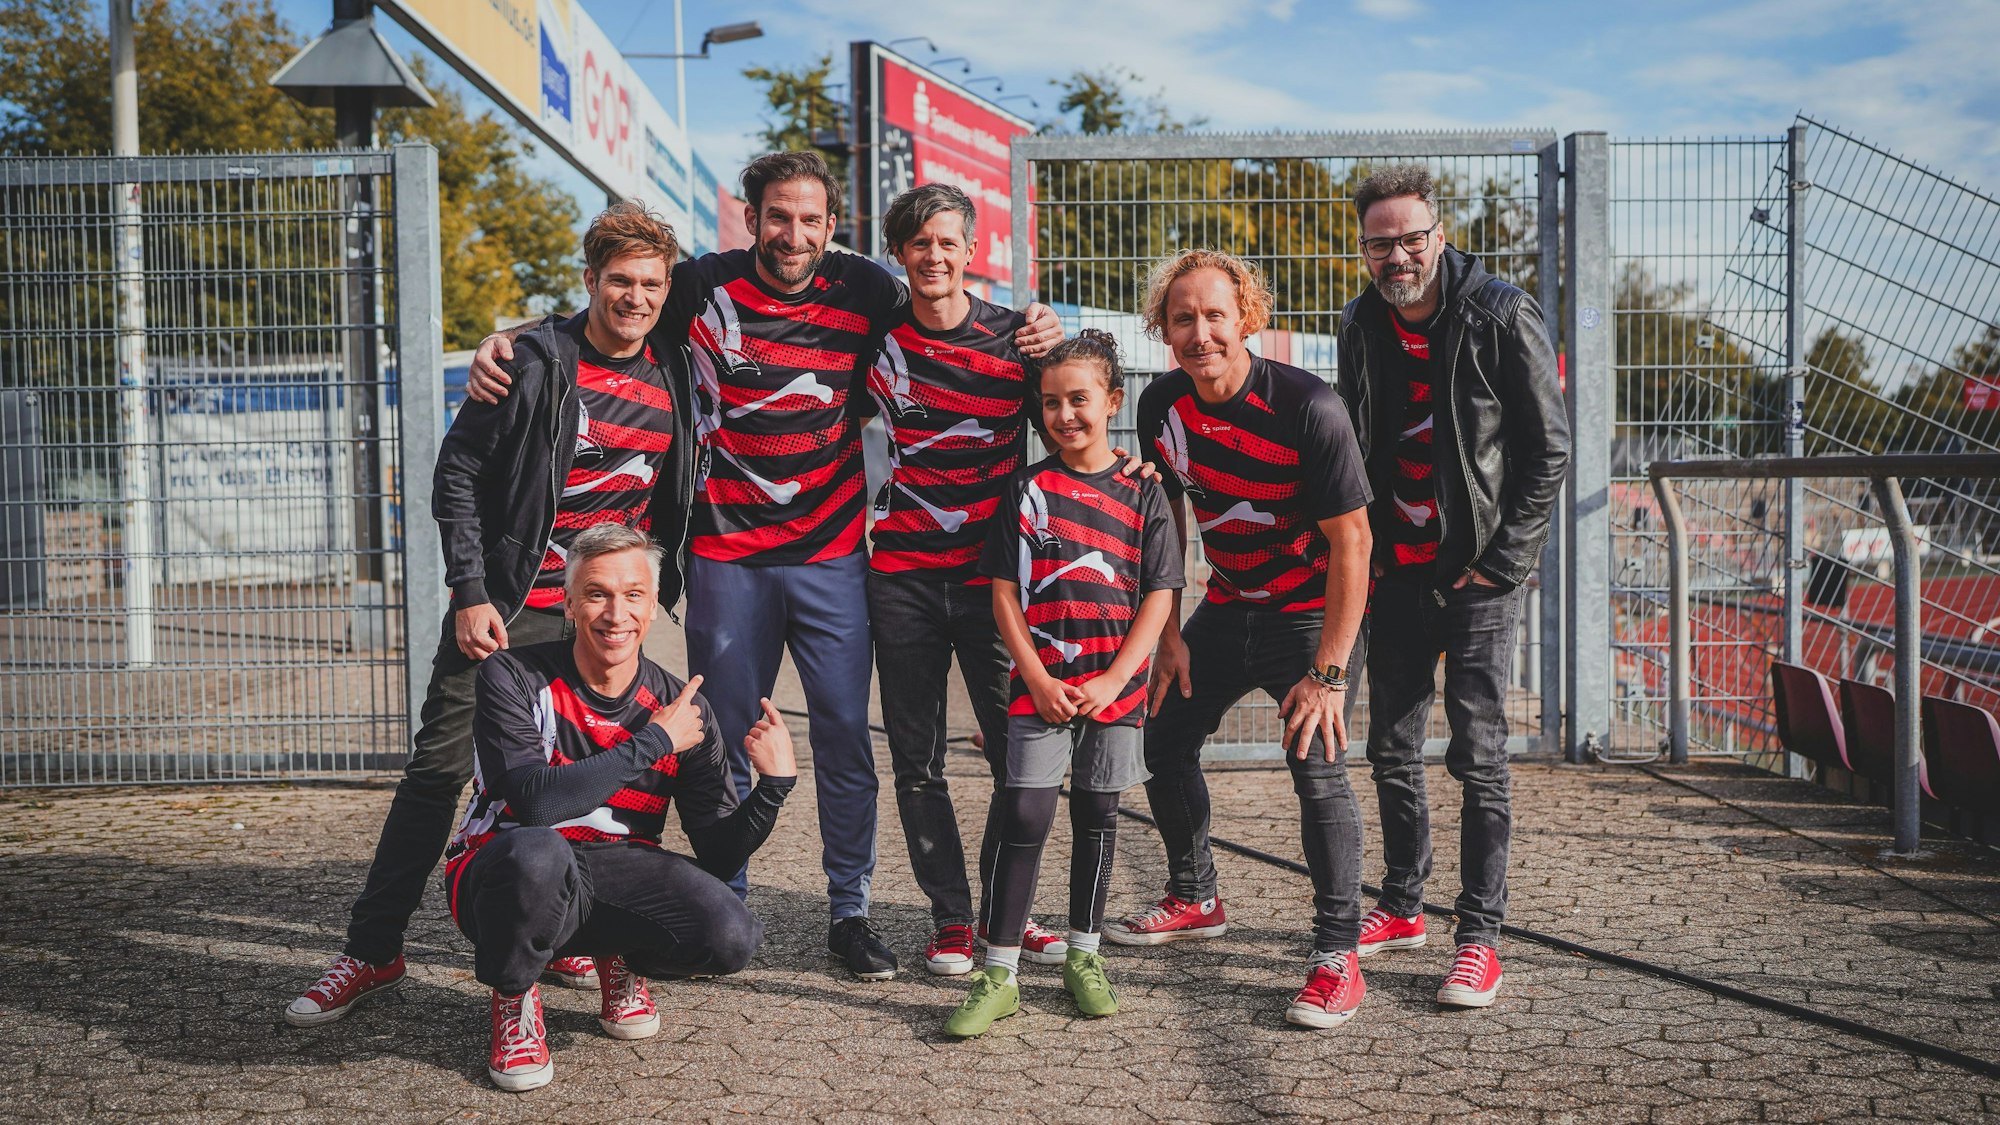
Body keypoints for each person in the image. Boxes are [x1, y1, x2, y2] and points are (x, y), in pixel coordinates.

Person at [469, 153, 1062, 981]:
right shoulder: (700, 285)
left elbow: (947, 309)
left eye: (811, 219)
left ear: (833, 227)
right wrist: (515, 339)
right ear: (751, 218)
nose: (794, 234)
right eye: (778, 216)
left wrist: (1040, 327)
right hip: (726, 556)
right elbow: (610, 307)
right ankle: (727, 894)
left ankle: (849, 911)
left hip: (831, 557)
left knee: (847, 742)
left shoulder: (866, 291)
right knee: (724, 742)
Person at [286, 203, 694, 1027]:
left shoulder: (679, 372)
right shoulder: (536, 359)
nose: (635, 296)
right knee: (437, 776)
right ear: (590, 280)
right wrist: (470, 587)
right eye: (620, 279)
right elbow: (458, 471)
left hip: (605, 622)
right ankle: (373, 948)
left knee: (614, 788)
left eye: (651, 283)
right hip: (509, 610)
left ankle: (596, 945)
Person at [1115, 249, 1377, 1031]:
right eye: (1183, 317)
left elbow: (1354, 544)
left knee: (1316, 764)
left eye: (1215, 315)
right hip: (1228, 605)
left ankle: (1337, 955)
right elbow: (1172, 515)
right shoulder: (1161, 404)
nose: (1200, 332)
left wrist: (1328, 673)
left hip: (1311, 613)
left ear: (1248, 319)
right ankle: (1195, 895)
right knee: (1163, 735)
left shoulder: (1309, 406)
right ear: (1163, 327)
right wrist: (1167, 630)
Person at [445, 523, 797, 1091]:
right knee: (539, 852)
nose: (616, 614)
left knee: (733, 936)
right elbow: (536, 803)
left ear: (655, 605)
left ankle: (619, 957)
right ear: (568, 601)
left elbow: (718, 850)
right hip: (501, 870)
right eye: (597, 593)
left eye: (633, 594)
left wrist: (774, 787)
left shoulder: (684, 707)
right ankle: (514, 997)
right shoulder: (512, 675)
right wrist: (654, 741)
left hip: (612, 870)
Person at [1336, 165, 1569, 1009]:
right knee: (1390, 748)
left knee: (1478, 751)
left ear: (1438, 236)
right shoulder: (1359, 322)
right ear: (1363, 250)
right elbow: (1353, 436)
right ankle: (1402, 904)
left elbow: (1547, 451)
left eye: (1410, 238)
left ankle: (1480, 935)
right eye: (1379, 242)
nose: (1397, 254)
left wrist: (1501, 562)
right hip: (1394, 567)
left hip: (1477, 571)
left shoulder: (1501, 312)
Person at [945, 330, 1183, 1038]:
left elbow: (1160, 597)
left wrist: (1115, 678)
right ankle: (999, 971)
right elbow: (1003, 596)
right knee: (1023, 814)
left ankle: (1085, 954)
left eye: (1079, 399)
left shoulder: (1146, 493)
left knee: (1099, 815)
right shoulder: (1026, 489)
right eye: (1050, 402)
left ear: (1112, 401)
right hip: (1040, 688)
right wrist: (1038, 675)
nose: (1065, 414)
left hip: (1114, 690)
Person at [863, 183, 1074, 974]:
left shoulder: (1017, 342)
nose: (935, 256)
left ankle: (1006, 915)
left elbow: (1069, 432)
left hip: (996, 587)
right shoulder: (872, 346)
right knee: (918, 761)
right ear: (901, 254)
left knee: (1017, 751)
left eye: (948, 241)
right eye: (920, 243)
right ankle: (953, 919)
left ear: (971, 250)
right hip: (902, 580)